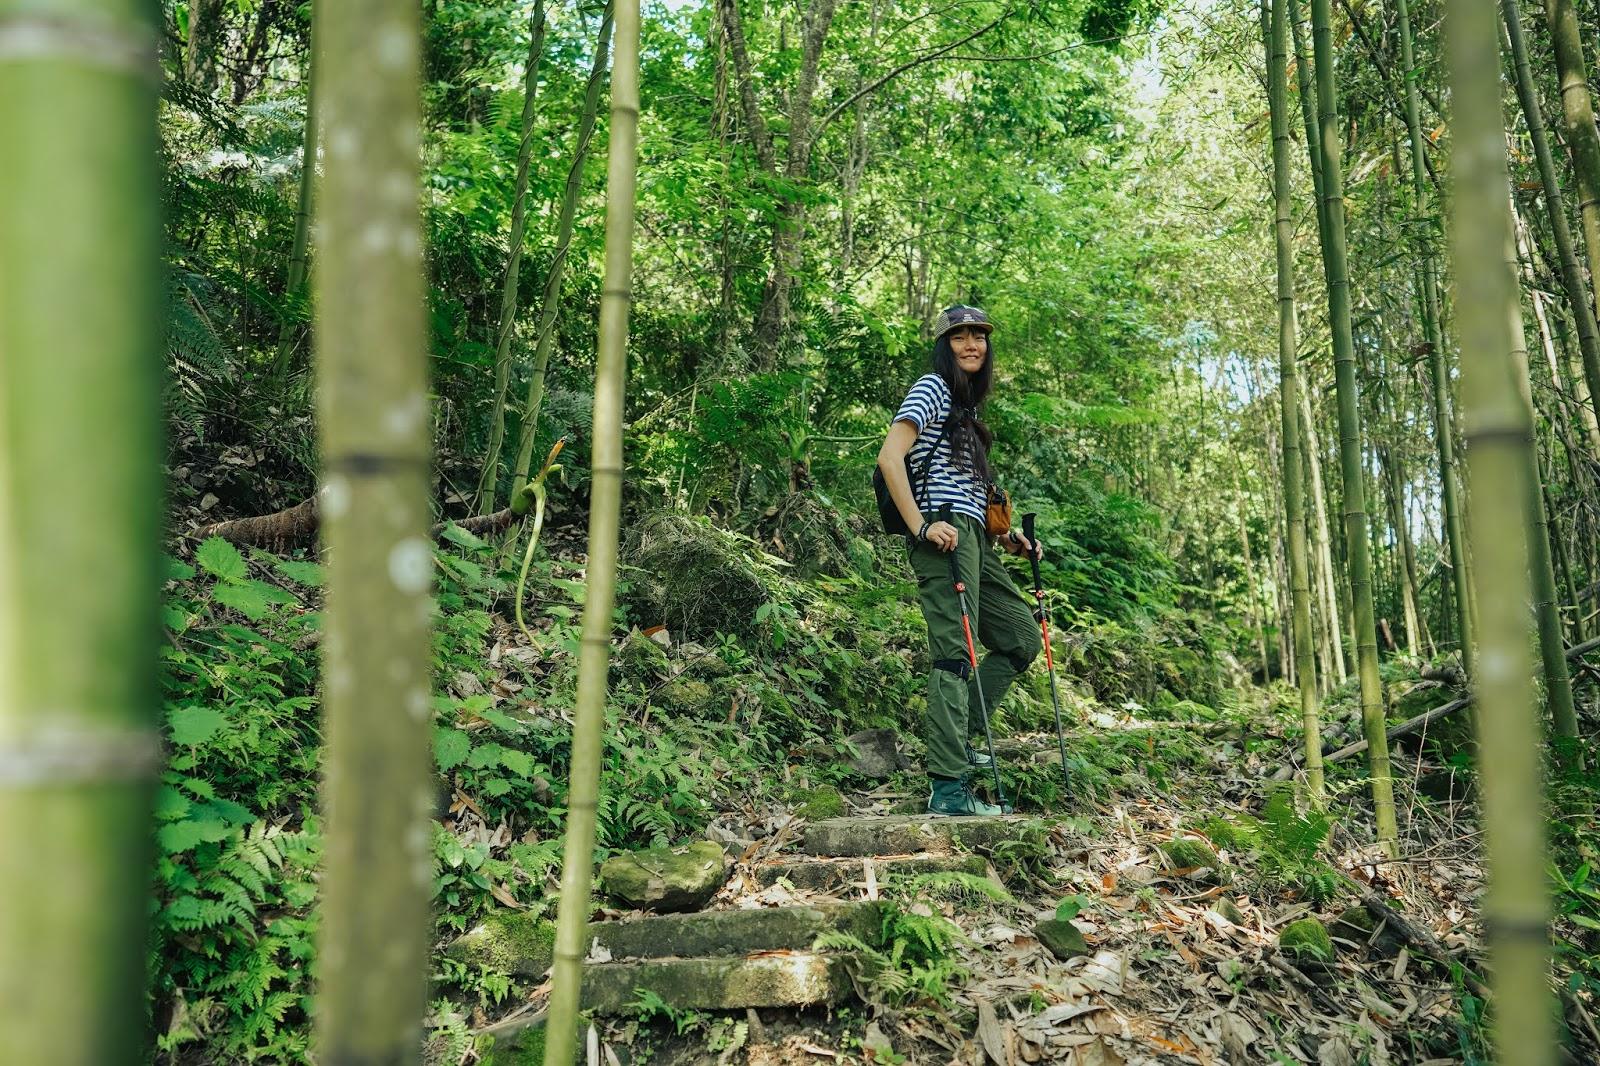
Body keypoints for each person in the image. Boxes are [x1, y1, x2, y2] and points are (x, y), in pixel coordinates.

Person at [876, 304, 1043, 817]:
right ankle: (947, 785)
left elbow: (973, 492)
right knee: (955, 653)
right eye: (960, 337)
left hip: (977, 538)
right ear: (944, 346)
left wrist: (1010, 538)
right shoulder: (932, 388)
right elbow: (890, 457)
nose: (972, 344)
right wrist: (920, 525)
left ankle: (964, 736)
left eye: (979, 336)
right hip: (942, 538)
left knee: (1020, 638)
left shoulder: (967, 411)